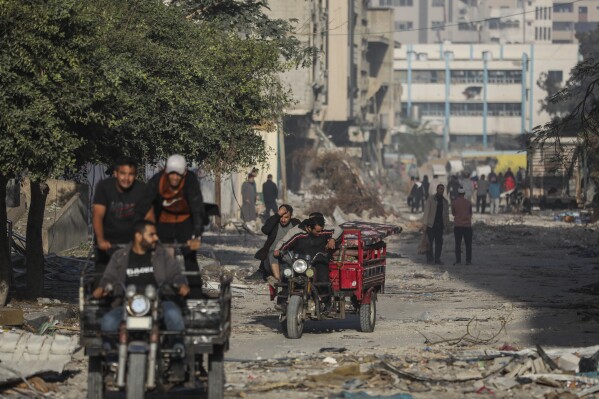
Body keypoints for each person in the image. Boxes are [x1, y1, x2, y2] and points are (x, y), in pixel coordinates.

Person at [93, 221, 189, 350]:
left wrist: (181, 284)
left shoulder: (161, 255)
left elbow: (175, 273)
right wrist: (102, 288)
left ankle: (176, 351)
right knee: (108, 321)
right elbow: (109, 277)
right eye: (151, 235)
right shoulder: (120, 256)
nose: (156, 238)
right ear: (138, 236)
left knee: (174, 314)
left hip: (158, 303)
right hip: (127, 305)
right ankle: (111, 357)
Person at [136, 155, 205, 298]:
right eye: (171, 174)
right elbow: (144, 205)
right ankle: (163, 288)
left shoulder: (191, 180)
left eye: (177, 175)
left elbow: (197, 207)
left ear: (184, 173)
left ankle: (196, 293)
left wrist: (196, 233)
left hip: (184, 221)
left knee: (190, 255)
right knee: (162, 254)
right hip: (164, 221)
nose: (174, 178)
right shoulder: (157, 181)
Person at [92, 157, 146, 276]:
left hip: (131, 242)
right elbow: (98, 215)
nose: (126, 179)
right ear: (115, 174)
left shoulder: (141, 189)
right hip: (107, 241)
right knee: (102, 279)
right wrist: (101, 240)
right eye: (122, 174)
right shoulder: (104, 188)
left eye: (130, 174)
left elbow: (149, 216)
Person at [276, 214, 336, 290]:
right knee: (287, 275)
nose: (320, 233)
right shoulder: (297, 231)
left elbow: (338, 230)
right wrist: (279, 250)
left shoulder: (324, 229)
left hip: (319, 260)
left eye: (321, 230)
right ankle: (283, 299)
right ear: (309, 228)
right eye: (317, 231)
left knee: (323, 279)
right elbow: (285, 241)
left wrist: (333, 239)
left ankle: (325, 300)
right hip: (300, 261)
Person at [254, 204, 300, 284]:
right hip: (272, 257)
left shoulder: (295, 224)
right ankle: (278, 281)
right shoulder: (274, 222)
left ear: (291, 216)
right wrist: (277, 215)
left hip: (288, 255)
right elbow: (265, 230)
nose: (283, 220)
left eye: (286, 217)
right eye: (281, 217)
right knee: (273, 255)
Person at [422, 184, 450, 265]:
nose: (441, 190)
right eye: (440, 189)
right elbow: (426, 212)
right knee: (429, 243)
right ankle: (430, 259)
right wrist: (425, 224)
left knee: (439, 243)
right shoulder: (431, 199)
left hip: (440, 226)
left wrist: (447, 225)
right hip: (431, 225)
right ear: (437, 189)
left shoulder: (445, 202)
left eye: (442, 189)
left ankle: (437, 259)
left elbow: (446, 214)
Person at [452, 186, 473, 265]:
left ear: (458, 193)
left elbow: (453, 213)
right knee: (468, 245)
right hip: (467, 226)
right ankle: (468, 261)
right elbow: (470, 213)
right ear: (464, 193)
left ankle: (458, 260)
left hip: (458, 226)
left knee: (458, 244)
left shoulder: (454, 202)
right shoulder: (468, 202)